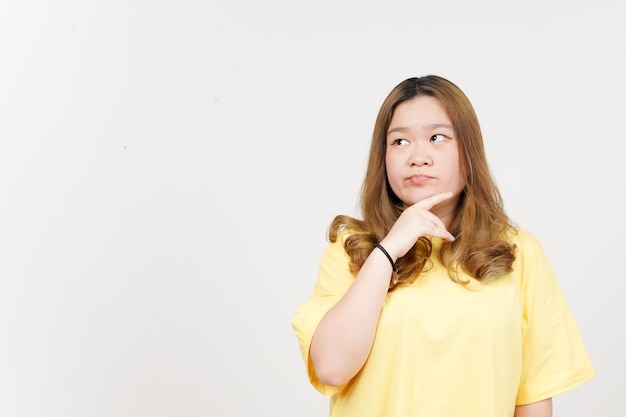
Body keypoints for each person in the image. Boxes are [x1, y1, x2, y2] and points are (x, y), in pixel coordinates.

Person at [291, 75, 594, 417]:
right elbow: (332, 367)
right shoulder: (352, 250)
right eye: (400, 142)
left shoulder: (518, 253)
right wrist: (388, 251)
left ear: (469, 149)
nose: (418, 157)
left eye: (437, 138)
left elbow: (533, 395)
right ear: (383, 157)